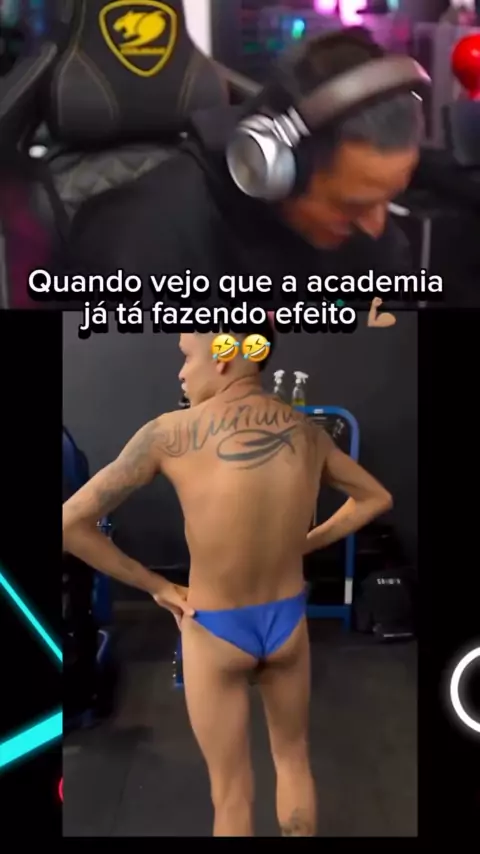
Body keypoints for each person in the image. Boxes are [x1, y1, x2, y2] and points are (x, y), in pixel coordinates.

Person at [63, 324, 393, 837]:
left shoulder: (168, 433)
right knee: (293, 762)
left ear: (221, 355)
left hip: (214, 627)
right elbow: (376, 498)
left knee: (231, 794)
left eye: (186, 355)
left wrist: (156, 586)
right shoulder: (307, 432)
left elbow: (68, 524)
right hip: (286, 624)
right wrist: (304, 543)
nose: (181, 372)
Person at [60, 27, 423, 314]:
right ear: (273, 168)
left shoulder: (369, 242)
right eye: (351, 206)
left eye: (389, 198)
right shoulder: (136, 245)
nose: (376, 227)